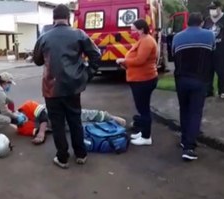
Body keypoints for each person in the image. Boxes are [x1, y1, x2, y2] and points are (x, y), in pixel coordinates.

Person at [33, 4, 101, 169]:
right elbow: (96, 54)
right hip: (73, 87)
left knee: (57, 124)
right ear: (68, 18)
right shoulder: (79, 34)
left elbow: (37, 60)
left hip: (51, 88)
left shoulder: (44, 37)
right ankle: (81, 154)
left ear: (53, 18)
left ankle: (62, 158)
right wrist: (87, 73)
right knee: (75, 121)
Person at [172, 13, 215, 161]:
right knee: (195, 112)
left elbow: (173, 56)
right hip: (200, 79)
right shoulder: (209, 35)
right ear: (201, 22)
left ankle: (184, 140)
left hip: (182, 79)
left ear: (187, 23)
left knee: (184, 110)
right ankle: (189, 147)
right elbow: (213, 54)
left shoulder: (177, 37)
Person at [116, 19, 158, 146]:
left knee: (144, 109)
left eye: (133, 29)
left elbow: (140, 60)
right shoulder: (143, 40)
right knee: (142, 108)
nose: (131, 32)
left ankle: (146, 137)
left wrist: (123, 60)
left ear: (141, 29)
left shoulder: (147, 41)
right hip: (140, 79)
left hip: (144, 80)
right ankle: (143, 132)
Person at [15, 100, 127, 145]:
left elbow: (43, 117)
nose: (19, 119)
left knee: (87, 114)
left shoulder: (27, 105)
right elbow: (39, 132)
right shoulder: (21, 129)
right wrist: (40, 137)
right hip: (58, 126)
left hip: (59, 112)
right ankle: (110, 128)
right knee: (85, 128)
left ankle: (110, 117)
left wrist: (41, 133)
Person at [203, 1, 224, 99]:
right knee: (208, 71)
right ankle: (209, 90)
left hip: (223, 50)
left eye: (214, 8)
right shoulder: (207, 20)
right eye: (211, 9)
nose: (212, 11)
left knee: (222, 71)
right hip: (209, 50)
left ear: (220, 8)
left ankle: (222, 90)